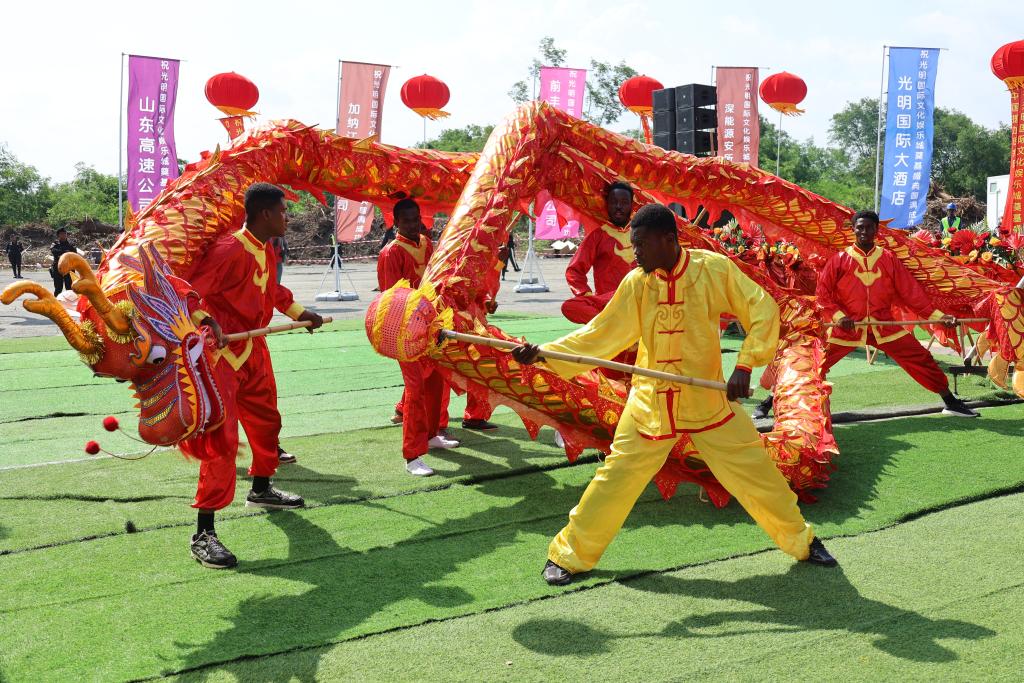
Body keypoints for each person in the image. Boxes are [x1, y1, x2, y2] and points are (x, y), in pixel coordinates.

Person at [512, 203, 837, 586]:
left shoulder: (712, 270)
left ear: (668, 240)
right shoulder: (637, 283)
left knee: (758, 474)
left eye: (640, 245)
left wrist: (746, 364)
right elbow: (599, 336)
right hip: (649, 406)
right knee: (613, 480)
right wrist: (545, 355)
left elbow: (762, 309)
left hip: (709, 405)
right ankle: (568, 555)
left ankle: (802, 541)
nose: (634, 253)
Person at [182, 183, 324, 568]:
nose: (287, 218)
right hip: (223, 354)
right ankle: (203, 533)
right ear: (265, 214)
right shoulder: (229, 249)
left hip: (255, 348)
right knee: (222, 441)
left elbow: (271, 291)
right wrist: (205, 319)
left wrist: (301, 314)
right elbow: (191, 292)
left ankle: (261, 489)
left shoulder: (266, 247)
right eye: (283, 211)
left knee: (267, 424)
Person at [753, 211, 979, 421]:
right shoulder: (839, 259)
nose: (864, 232)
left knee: (922, 359)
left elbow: (911, 292)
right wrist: (839, 317)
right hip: (846, 328)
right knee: (811, 362)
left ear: (876, 230)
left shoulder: (889, 259)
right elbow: (823, 294)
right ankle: (769, 402)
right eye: (860, 227)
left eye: (869, 227)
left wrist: (939, 316)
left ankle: (951, 402)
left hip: (884, 326)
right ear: (853, 229)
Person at [378, 198, 459, 476]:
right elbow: (391, 297)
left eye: (417, 219)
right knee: (415, 389)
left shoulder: (426, 243)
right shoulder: (391, 252)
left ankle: (432, 434)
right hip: (405, 332)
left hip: (430, 326)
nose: (414, 225)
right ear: (396, 222)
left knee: (435, 380)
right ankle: (412, 456)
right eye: (407, 220)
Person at [560, 181, 637, 325]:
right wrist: (587, 295)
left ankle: (608, 325)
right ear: (607, 205)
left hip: (638, 298)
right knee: (569, 307)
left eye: (624, 202)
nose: (618, 206)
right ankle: (609, 323)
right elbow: (574, 271)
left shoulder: (643, 234)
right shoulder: (597, 236)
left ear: (632, 205)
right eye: (614, 202)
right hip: (607, 302)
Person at [49, 228, 77, 294]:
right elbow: (54, 252)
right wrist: (66, 252)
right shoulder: (55, 244)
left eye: (65, 233)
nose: (63, 235)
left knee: (70, 288)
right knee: (58, 288)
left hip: (69, 268)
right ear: (58, 235)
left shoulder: (71, 244)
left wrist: (62, 253)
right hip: (58, 268)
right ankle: (56, 300)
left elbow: (74, 252)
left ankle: (70, 300)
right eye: (61, 234)